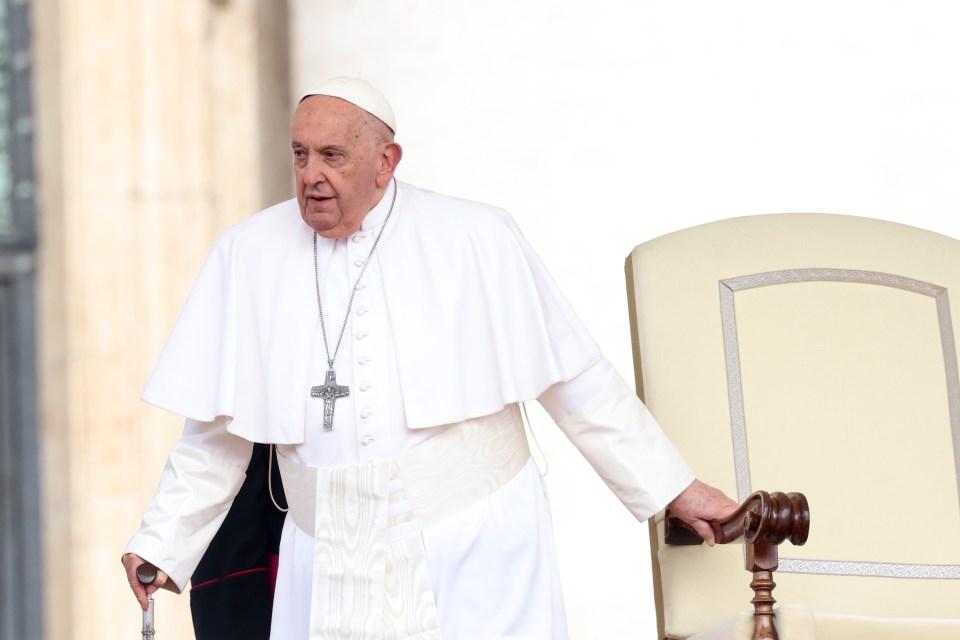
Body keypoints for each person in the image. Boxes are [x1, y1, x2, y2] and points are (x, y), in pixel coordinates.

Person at [122, 76, 738, 639]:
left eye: (332, 156)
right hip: (327, 552)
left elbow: (576, 381)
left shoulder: (476, 237)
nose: (311, 174)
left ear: (386, 162)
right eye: (300, 153)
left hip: (473, 541)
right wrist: (163, 540)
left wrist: (673, 488)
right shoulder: (247, 255)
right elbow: (216, 433)